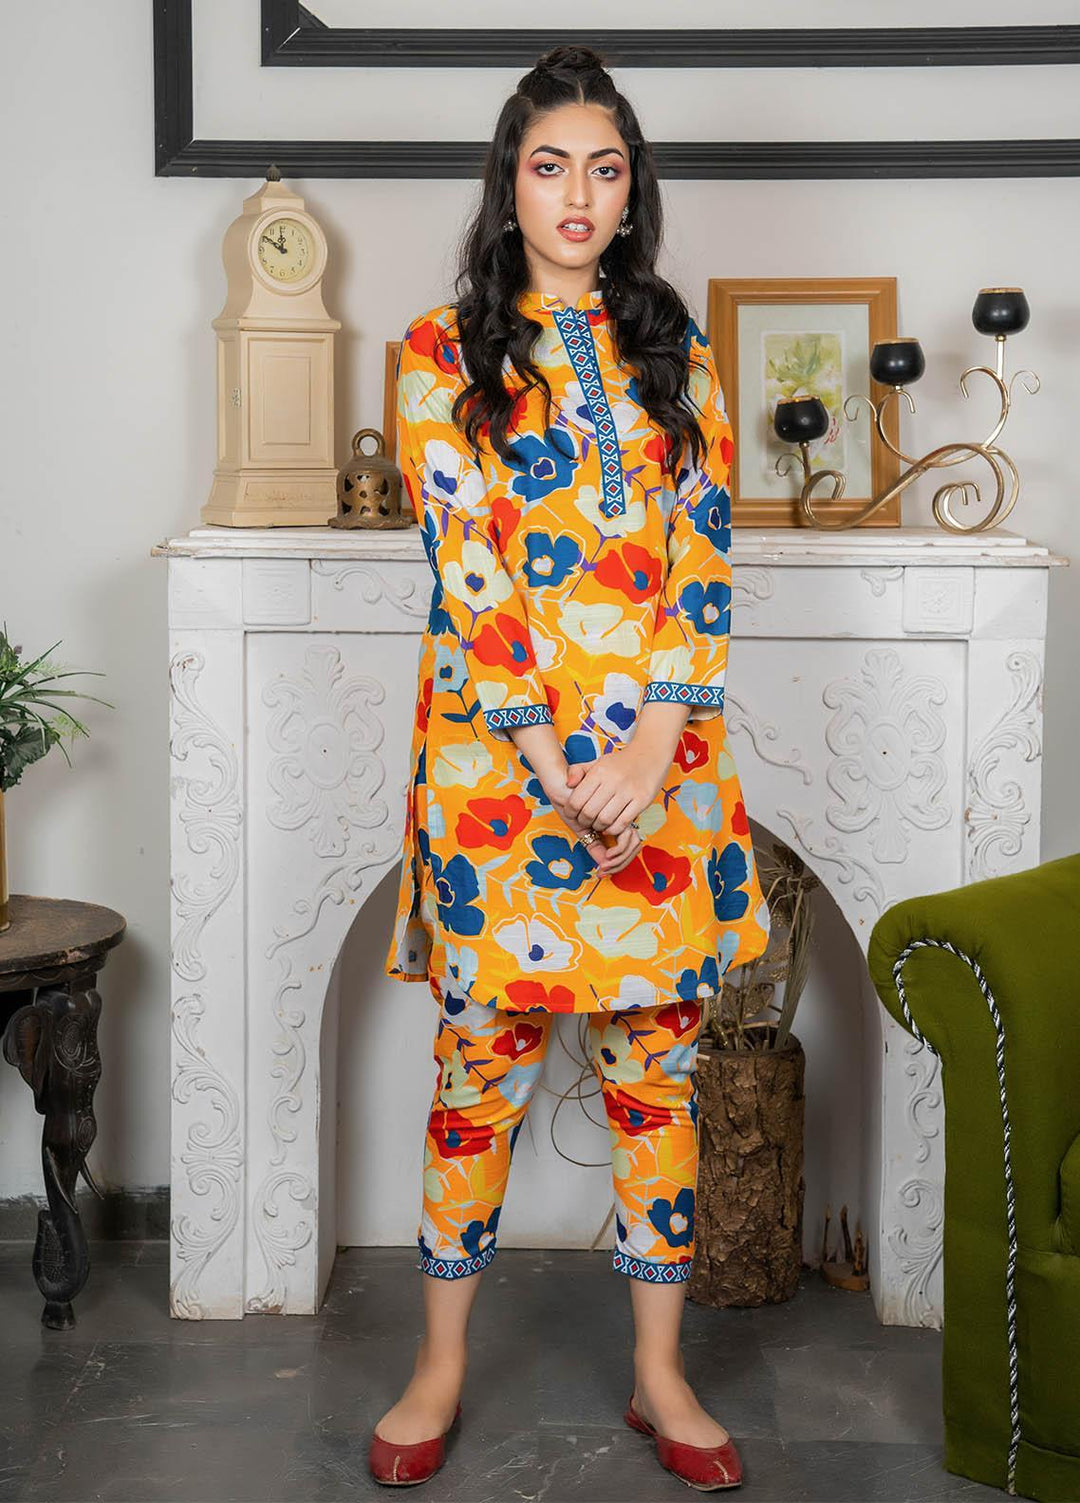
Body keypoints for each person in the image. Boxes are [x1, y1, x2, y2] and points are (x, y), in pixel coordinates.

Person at [369, 42, 770, 1492]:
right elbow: (467, 569)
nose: (580, 195)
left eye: (607, 168)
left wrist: (654, 750)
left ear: (632, 188)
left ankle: (662, 1376)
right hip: (499, 772)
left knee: (658, 1074)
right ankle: (437, 1367)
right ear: (511, 184)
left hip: (664, 768)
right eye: (552, 167)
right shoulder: (439, 352)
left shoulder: (680, 351)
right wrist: (551, 761)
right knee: (478, 1067)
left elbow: (701, 553)